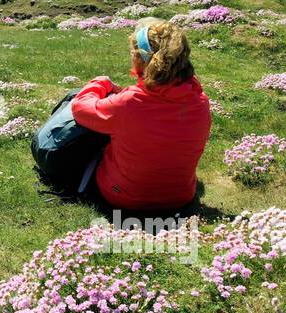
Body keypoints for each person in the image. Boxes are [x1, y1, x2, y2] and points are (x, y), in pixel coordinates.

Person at [69, 19, 211, 211]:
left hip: (123, 197)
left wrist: (101, 83)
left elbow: (79, 108)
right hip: (180, 197)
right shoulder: (200, 101)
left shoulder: (128, 103)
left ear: (141, 59)